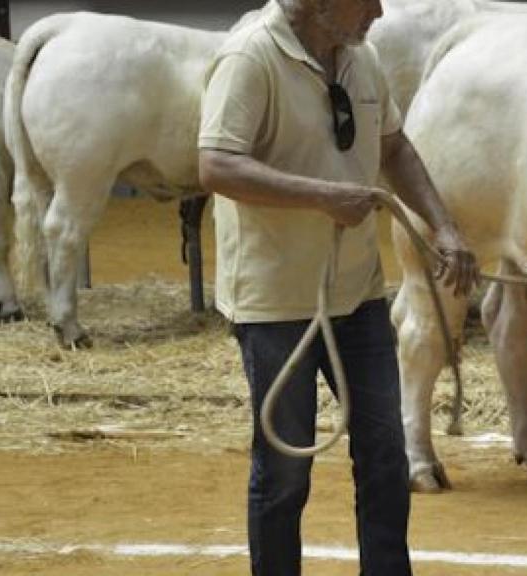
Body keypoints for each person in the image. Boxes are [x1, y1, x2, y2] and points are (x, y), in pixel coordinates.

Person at [197, 0, 479, 574]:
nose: (378, 10)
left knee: (385, 453)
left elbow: (394, 147)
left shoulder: (361, 56)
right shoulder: (250, 57)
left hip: (358, 293)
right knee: (284, 468)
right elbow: (216, 166)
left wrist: (445, 227)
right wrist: (323, 196)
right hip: (275, 299)